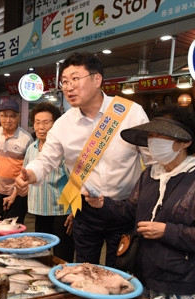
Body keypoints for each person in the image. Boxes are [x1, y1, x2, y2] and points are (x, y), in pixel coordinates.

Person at [85, 106, 195, 299]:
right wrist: (102, 204)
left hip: (178, 282)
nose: (153, 140)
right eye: (151, 135)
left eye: (161, 135)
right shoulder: (150, 174)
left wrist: (167, 231)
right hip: (141, 273)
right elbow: (130, 210)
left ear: (185, 142)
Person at [15, 52, 153, 267]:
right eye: (64, 82)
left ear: (97, 79)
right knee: (84, 270)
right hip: (85, 210)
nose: (69, 87)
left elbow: (152, 163)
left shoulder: (131, 114)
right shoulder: (63, 124)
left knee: (118, 271)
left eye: (75, 79)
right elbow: (45, 160)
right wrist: (29, 175)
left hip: (124, 208)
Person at [24, 102, 74, 262]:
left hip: (61, 213)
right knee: (41, 255)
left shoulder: (64, 150)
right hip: (39, 210)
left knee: (62, 256)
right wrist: (13, 195)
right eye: (37, 122)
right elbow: (25, 174)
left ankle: (63, 286)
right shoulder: (31, 148)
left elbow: (75, 180)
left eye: (46, 122)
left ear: (55, 124)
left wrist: (75, 211)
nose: (41, 127)